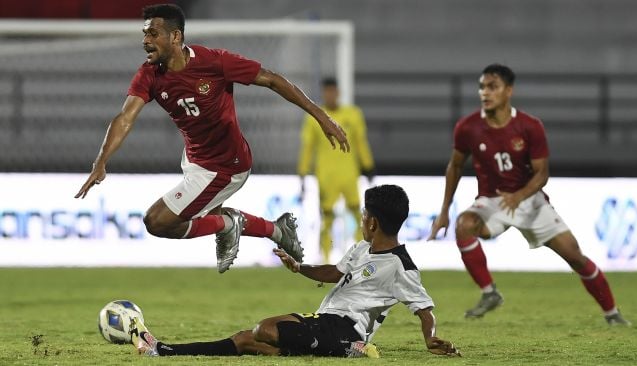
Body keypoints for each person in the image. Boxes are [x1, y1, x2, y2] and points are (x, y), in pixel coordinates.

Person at [74, 4, 350, 272]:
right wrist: (101, 162)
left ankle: (232, 225)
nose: (145, 41)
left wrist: (321, 116)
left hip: (225, 166)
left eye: (153, 34)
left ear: (176, 36)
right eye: (144, 34)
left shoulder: (214, 62)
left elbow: (273, 79)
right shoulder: (149, 74)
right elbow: (125, 118)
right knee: (207, 215)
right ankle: (277, 230)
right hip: (195, 158)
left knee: (157, 222)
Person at [129, 185, 461, 358]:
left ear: (372, 222)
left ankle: (349, 350)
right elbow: (333, 272)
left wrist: (430, 338)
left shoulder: (401, 266)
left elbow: (424, 308)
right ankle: (161, 350)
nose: (361, 220)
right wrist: (299, 268)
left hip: (347, 329)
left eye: (363, 216)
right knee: (247, 339)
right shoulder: (362, 249)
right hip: (325, 323)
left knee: (266, 328)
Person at [428, 64, 630, 325]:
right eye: (482, 87)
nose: (485, 93)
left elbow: (542, 174)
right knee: (464, 225)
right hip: (492, 201)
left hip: (531, 202)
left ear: (508, 91)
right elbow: (454, 165)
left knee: (575, 257)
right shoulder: (468, 127)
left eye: (492, 87)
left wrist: (519, 196)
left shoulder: (529, 126)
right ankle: (490, 293)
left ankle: (612, 313)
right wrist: (445, 210)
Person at [297, 77, 374, 263]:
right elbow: (307, 147)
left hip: (349, 174)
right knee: (327, 218)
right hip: (326, 175)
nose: (330, 95)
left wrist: (368, 165)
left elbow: (361, 142)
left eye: (333, 91)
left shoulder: (353, 114)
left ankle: (360, 257)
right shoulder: (314, 117)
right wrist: (302, 171)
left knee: (359, 216)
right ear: (324, 93)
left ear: (338, 92)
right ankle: (325, 259)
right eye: (327, 92)